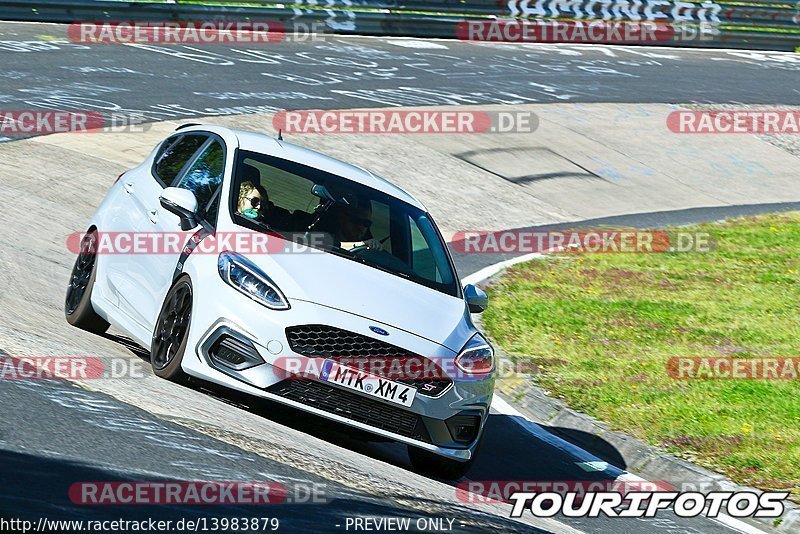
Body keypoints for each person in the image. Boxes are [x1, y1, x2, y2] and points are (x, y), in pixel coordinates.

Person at [318, 198, 383, 251]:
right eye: (356, 220)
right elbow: (331, 245)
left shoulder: (366, 254)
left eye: (366, 223)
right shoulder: (322, 235)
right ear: (342, 218)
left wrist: (374, 247)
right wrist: (361, 244)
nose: (361, 227)